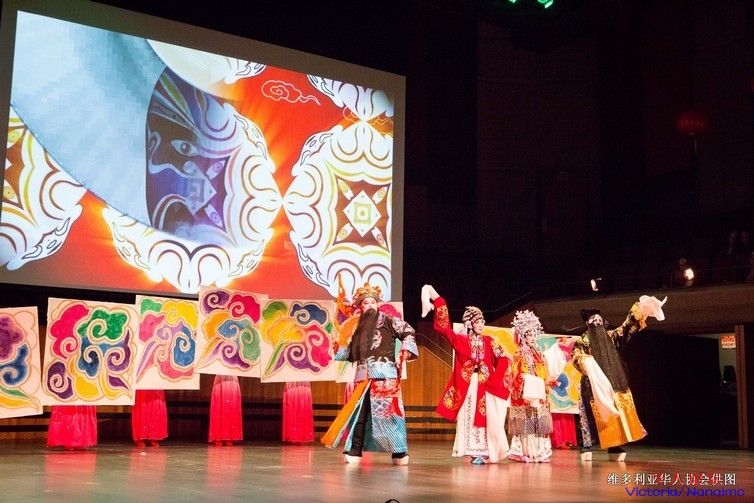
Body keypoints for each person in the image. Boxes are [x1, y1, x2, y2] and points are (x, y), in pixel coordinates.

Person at [322, 282, 418, 465]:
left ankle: (399, 452)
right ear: (361, 307)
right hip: (364, 378)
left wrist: (404, 350)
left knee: (391, 415)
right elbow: (350, 353)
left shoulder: (388, 321)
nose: (370, 306)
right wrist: (336, 346)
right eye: (366, 303)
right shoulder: (359, 328)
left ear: (377, 304)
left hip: (385, 377)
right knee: (360, 415)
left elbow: (408, 331)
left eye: (373, 302)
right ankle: (355, 450)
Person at [421, 284, 511, 465]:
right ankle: (472, 451)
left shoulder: (490, 341)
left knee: (487, 417)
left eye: (482, 322)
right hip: (468, 385)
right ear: (470, 324)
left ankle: (486, 451)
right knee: (468, 414)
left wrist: (495, 377)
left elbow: (503, 359)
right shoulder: (461, 340)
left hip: (486, 385)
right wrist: (437, 300)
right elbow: (443, 328)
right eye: (477, 322)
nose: (481, 325)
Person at [571, 295, 666, 461]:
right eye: (594, 320)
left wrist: (641, 310)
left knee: (615, 412)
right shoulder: (582, 341)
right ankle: (587, 446)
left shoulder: (611, 336)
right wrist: (586, 361)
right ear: (587, 323)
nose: (597, 322)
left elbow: (627, 327)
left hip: (613, 378)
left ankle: (614, 445)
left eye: (599, 319)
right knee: (592, 415)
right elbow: (576, 357)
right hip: (592, 384)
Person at [507, 310, 553, 463]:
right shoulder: (519, 354)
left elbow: (543, 373)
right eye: (530, 335)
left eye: (534, 335)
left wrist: (543, 383)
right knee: (525, 423)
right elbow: (515, 374)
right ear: (523, 336)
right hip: (524, 393)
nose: (533, 338)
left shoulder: (538, 354)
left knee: (538, 420)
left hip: (537, 391)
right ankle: (523, 452)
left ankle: (540, 452)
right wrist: (524, 381)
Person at [208, 374, 243, 446]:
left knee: (231, 405)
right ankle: (218, 437)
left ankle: (230, 437)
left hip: (232, 377)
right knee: (219, 404)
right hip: (220, 377)